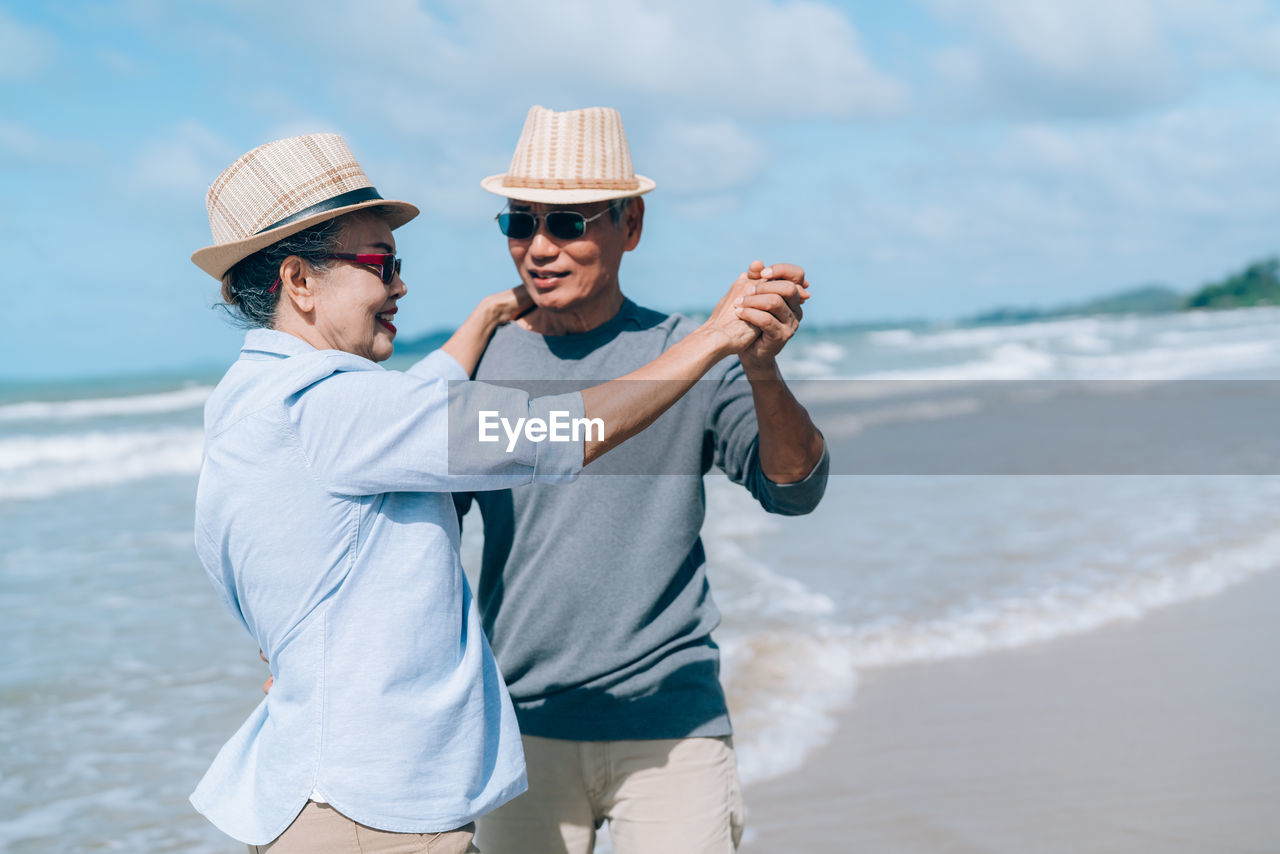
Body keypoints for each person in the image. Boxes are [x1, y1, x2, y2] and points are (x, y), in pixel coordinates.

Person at [189, 132, 786, 853]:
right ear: (300, 281)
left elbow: (397, 429)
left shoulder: (254, 400)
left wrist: (476, 324)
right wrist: (717, 337)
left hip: (321, 791)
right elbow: (544, 430)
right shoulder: (337, 408)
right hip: (370, 810)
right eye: (381, 263)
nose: (399, 285)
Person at [456, 106, 829, 854]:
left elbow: (794, 488)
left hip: (670, 722)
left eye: (567, 224)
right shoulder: (479, 362)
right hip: (517, 728)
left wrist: (760, 368)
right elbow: (413, 531)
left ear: (631, 225)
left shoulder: (685, 352)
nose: (538, 248)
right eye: (519, 223)